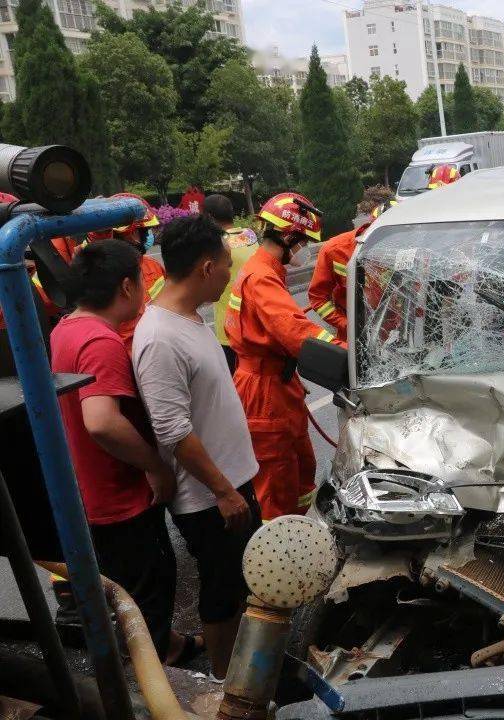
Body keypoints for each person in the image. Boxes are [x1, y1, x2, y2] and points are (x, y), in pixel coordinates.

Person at [50, 239, 202, 665]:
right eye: (140, 279)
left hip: (92, 491)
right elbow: (100, 420)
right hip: (121, 499)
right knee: (149, 585)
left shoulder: (66, 328)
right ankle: (153, 677)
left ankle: (165, 644)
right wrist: (155, 467)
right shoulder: (101, 342)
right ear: (126, 287)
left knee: (128, 588)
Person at [132, 214, 261, 682]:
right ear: (207, 268)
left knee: (242, 583)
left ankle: (247, 671)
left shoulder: (190, 320)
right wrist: (224, 491)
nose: (232, 273)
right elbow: (172, 430)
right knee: (222, 592)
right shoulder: (159, 338)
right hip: (211, 498)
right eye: (228, 265)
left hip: (231, 485)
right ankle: (228, 686)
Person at [225, 192, 345, 521]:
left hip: (277, 382)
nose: (305, 248)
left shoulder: (265, 270)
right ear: (288, 235)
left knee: (300, 470)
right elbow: (296, 332)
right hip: (264, 392)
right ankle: (276, 559)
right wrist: (349, 354)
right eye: (303, 240)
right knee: (275, 487)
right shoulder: (262, 277)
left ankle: (295, 535)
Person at [85, 193, 165, 353]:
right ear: (132, 233)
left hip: (157, 348)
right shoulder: (102, 271)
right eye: (145, 231)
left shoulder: (153, 265)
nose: (149, 236)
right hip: (126, 354)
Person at [308, 200, 396, 337]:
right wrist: (347, 325)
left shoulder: (410, 252)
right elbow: (318, 298)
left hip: (394, 334)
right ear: (370, 228)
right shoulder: (335, 250)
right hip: (352, 336)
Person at [205, 194, 258, 374]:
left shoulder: (215, 246)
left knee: (238, 388)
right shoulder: (250, 236)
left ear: (210, 217)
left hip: (230, 331)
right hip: (256, 327)